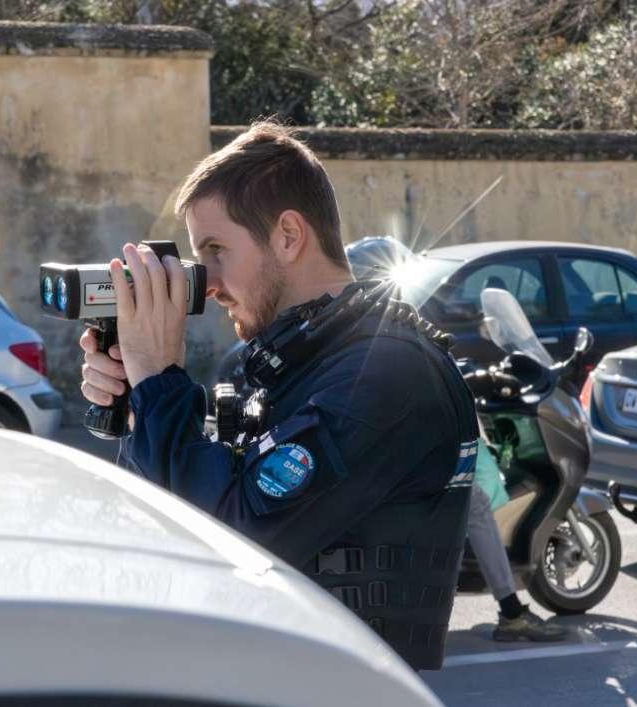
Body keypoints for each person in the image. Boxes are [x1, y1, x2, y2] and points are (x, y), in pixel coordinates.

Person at [78, 122, 480, 670]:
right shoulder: (288, 363)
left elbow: (234, 543)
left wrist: (159, 377)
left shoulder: (386, 372)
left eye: (216, 250)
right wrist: (137, 408)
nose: (208, 283)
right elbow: (169, 520)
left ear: (289, 235)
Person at [344, 236, 566, 643]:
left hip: (381, 447)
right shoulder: (381, 321)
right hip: (403, 450)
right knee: (475, 503)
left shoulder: (360, 321)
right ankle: (512, 613)